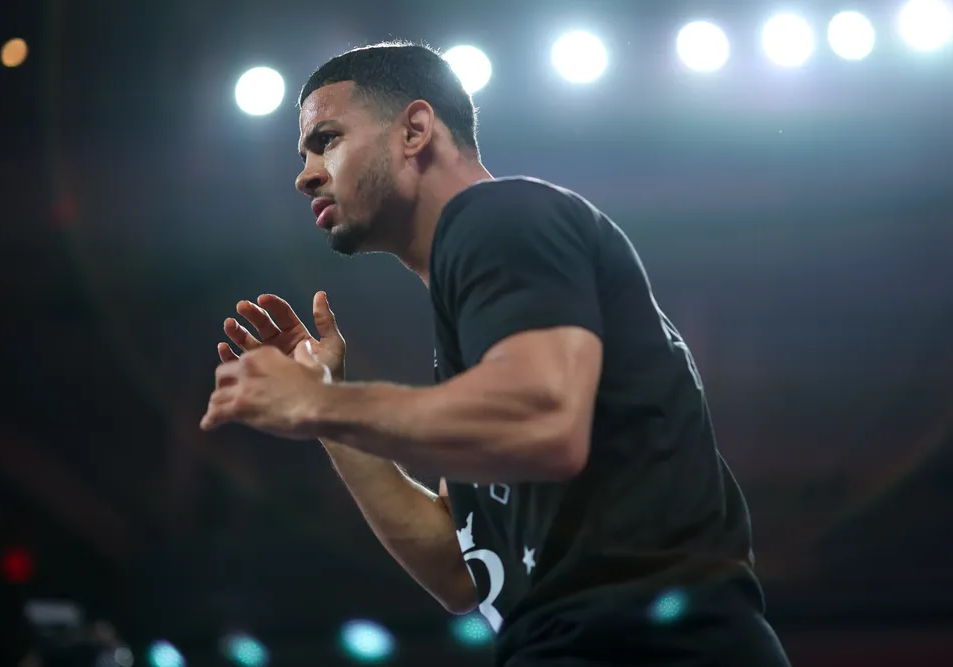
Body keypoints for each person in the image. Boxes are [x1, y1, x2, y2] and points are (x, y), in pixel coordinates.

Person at [201, 41, 791, 667]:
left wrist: (321, 402)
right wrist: (329, 413)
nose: (306, 174)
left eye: (327, 139)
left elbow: (544, 423)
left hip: (646, 645)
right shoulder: (483, 307)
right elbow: (461, 570)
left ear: (415, 130)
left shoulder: (500, 218)